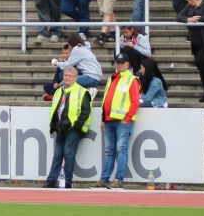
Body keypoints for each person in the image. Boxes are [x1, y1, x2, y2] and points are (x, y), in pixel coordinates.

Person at [45, 64, 94, 189]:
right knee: (57, 155)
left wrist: (77, 125)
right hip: (60, 126)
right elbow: (56, 109)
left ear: (75, 78)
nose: (67, 77)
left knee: (68, 153)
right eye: (65, 75)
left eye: (70, 76)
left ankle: (67, 180)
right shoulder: (59, 91)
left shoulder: (82, 91)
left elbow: (86, 111)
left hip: (72, 128)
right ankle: (51, 180)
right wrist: (54, 124)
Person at [98, 55, 141, 190]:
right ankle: (105, 179)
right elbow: (105, 100)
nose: (120, 64)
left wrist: (127, 118)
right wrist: (103, 118)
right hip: (110, 119)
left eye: (122, 62)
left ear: (128, 63)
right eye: (118, 62)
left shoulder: (132, 79)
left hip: (122, 120)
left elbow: (135, 101)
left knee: (119, 149)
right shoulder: (112, 78)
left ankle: (118, 179)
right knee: (110, 150)